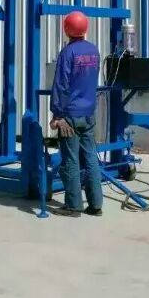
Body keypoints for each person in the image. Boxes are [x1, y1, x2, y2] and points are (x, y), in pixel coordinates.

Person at [50, 11, 103, 216]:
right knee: (90, 158)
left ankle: (73, 205)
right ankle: (96, 205)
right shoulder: (94, 51)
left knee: (71, 160)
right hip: (89, 113)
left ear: (67, 29)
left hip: (70, 115)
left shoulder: (68, 53)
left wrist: (57, 114)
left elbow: (61, 85)